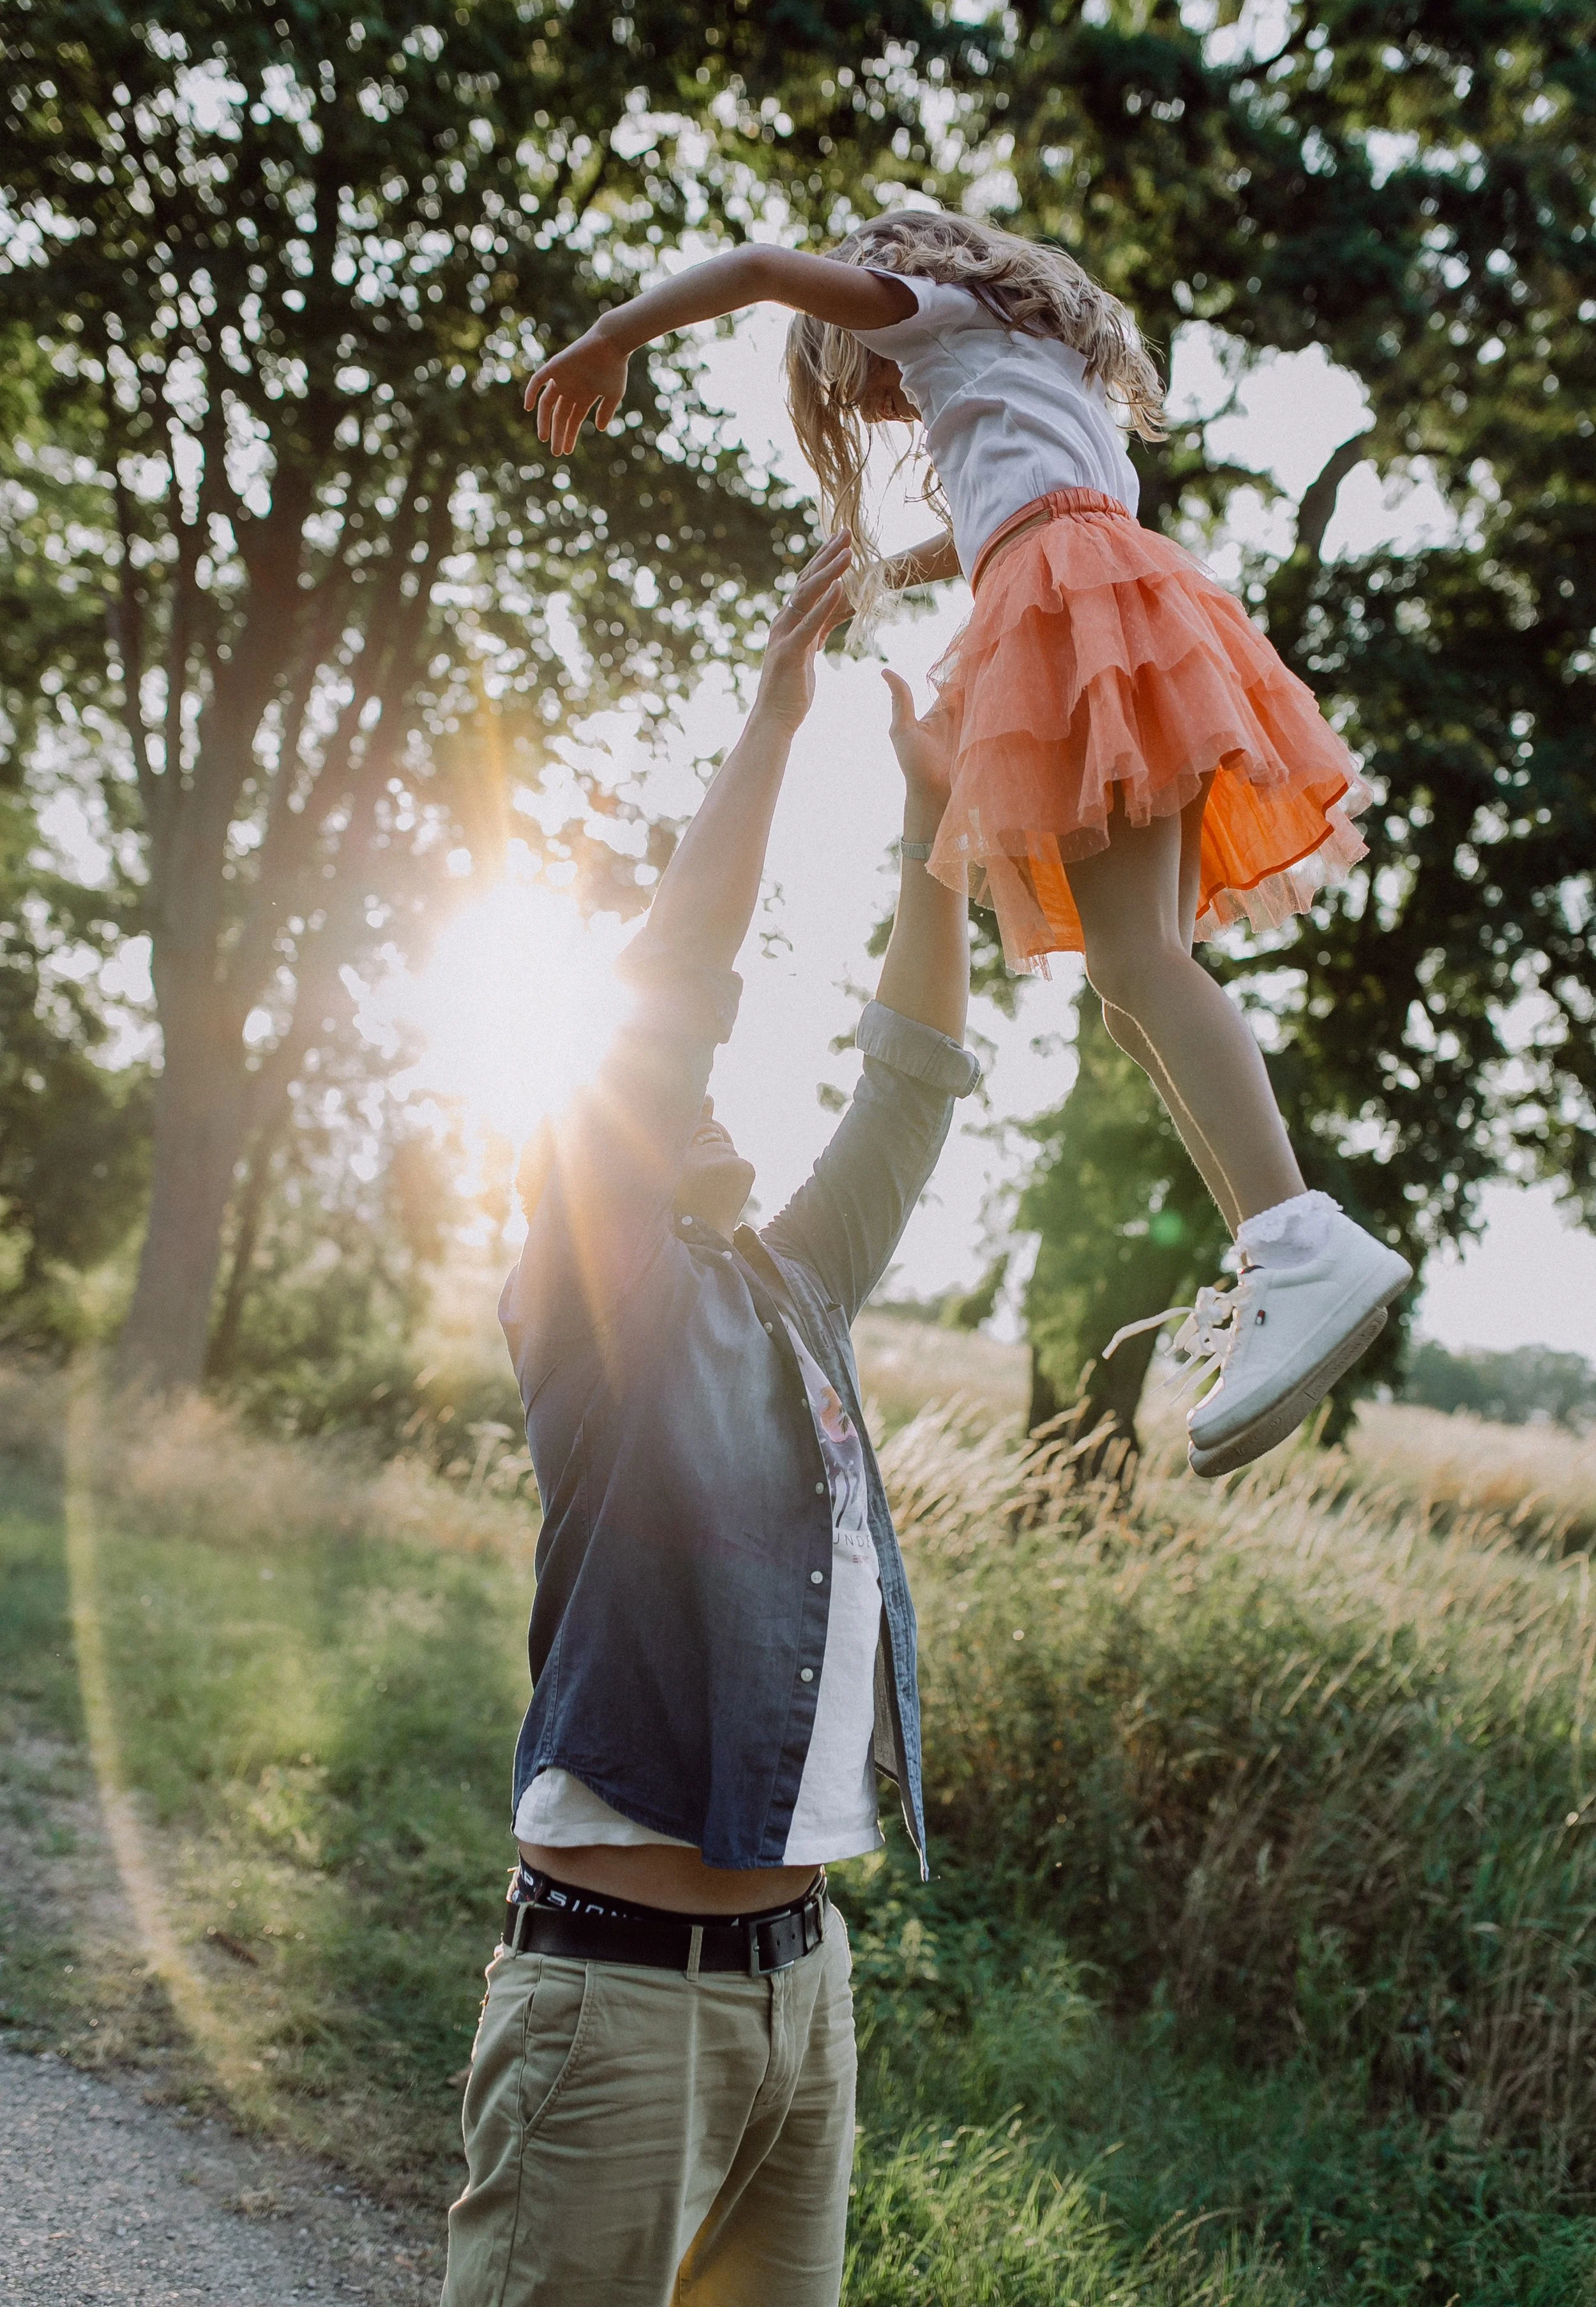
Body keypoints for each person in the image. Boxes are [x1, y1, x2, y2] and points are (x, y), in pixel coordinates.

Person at [525, 209, 1411, 1477]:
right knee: (1134, 974)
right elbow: (1020, 509)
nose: (882, 412)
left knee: (1135, 969)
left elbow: (763, 272)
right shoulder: (1045, 362)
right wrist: (897, 565)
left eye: (861, 389)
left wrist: (612, 339)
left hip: (1072, 615)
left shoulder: (925, 310)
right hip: (1126, 605)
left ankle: (1294, 1238)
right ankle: (1278, 1245)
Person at [440, 533, 979, 2307]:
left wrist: (935, 831)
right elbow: (673, 992)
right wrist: (773, 711)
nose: (704, 1101)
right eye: (659, 1098)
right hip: (617, 1997)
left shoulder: (789, 1295)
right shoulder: (602, 1307)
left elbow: (905, 1087)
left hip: (800, 1990)